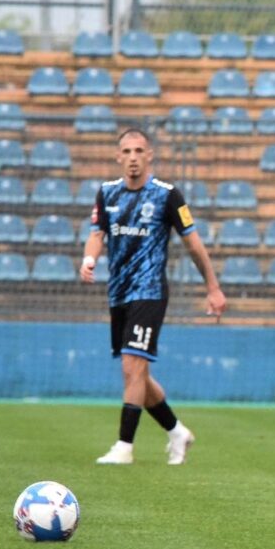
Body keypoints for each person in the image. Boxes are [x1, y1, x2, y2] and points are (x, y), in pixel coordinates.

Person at [80, 128, 227, 465]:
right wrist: (89, 259)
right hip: (119, 292)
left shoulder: (167, 195)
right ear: (118, 156)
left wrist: (213, 287)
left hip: (150, 291)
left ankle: (124, 447)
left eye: (139, 151)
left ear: (150, 155)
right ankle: (177, 431)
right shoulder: (107, 193)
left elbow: (193, 244)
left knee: (133, 366)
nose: (133, 157)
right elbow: (97, 234)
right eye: (126, 151)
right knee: (137, 375)